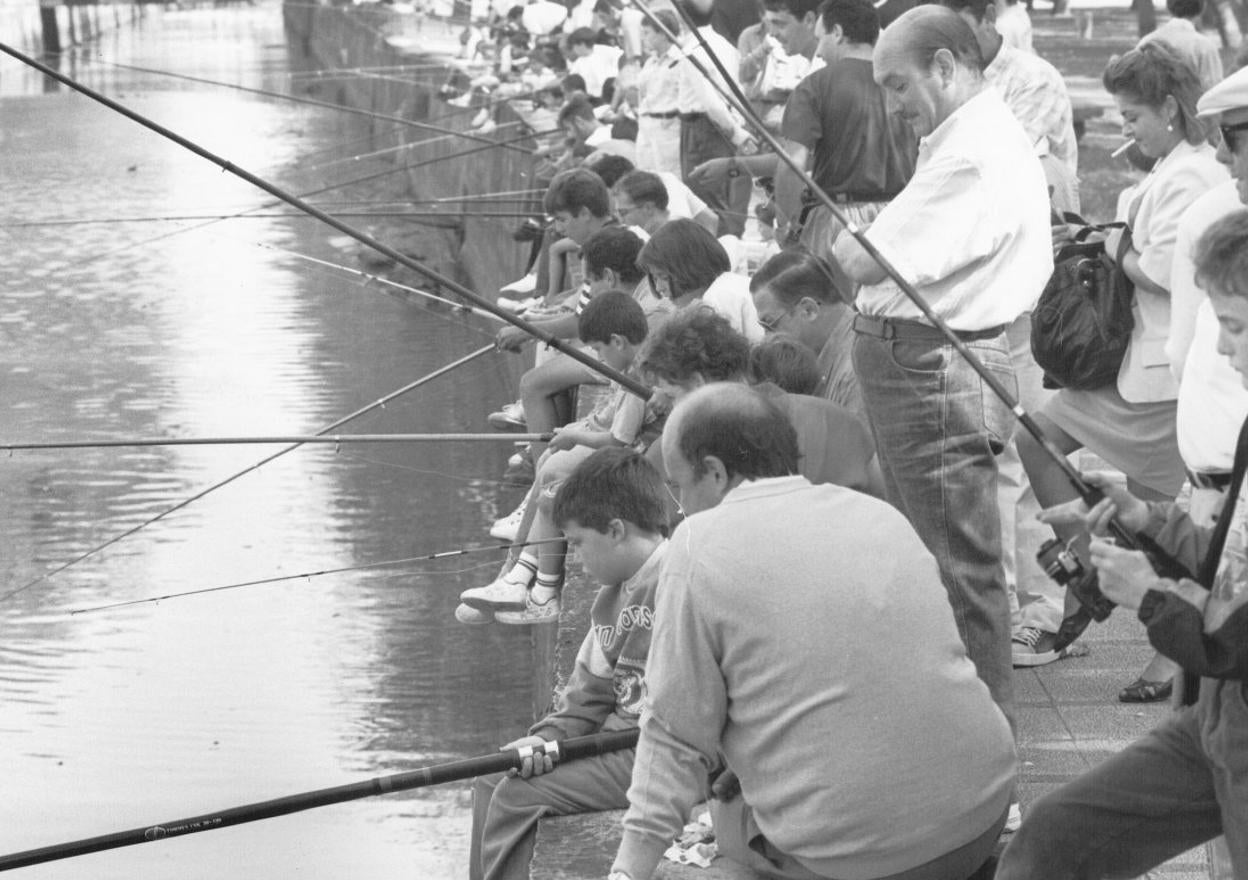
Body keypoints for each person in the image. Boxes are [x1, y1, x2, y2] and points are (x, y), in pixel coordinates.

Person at [607, 383, 1016, 880]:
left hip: (864, 858)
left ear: (714, 472)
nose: (678, 507)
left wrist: (627, 870)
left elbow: (674, 735)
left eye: (679, 486)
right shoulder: (877, 514)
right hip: (985, 808)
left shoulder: (696, 546)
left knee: (728, 822)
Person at [995, 208, 1248, 880]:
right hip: (1221, 719)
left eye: (1237, 328)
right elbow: (1231, 559)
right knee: (1053, 840)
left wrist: (1152, 594)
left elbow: (1236, 629)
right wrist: (1144, 516)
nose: (1223, 351)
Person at [832, 4, 1053, 726]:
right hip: (926, 369)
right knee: (938, 567)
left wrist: (859, 239)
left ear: (945, 67)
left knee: (957, 572)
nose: (892, 107)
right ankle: (951, 745)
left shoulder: (969, 152)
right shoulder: (959, 137)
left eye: (897, 87)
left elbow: (861, 259)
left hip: (934, 374)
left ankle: (985, 768)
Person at [1016, 43, 1228, 701]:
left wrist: (1115, 245)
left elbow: (1166, 270)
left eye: (1132, 113)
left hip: (1156, 377)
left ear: (1170, 107)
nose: (1125, 126)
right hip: (1138, 370)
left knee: (1173, 524)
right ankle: (1087, 564)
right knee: (1040, 436)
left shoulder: (1194, 174)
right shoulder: (1175, 162)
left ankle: (1150, 633)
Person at [468, 447, 668, 880]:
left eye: (577, 543)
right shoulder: (609, 601)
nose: (575, 559)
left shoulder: (679, 581)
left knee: (516, 795)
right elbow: (585, 700)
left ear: (615, 530)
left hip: (660, 758)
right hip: (612, 748)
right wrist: (544, 741)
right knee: (491, 776)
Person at [462, 292, 651, 624]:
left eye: (598, 349)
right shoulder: (630, 369)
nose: (597, 357)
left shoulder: (632, 379)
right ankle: (516, 574)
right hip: (607, 443)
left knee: (551, 479)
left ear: (618, 341)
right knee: (548, 463)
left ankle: (538, 588)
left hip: (618, 456)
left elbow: (618, 441)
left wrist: (574, 435)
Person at [639, 307, 883, 495]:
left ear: (697, 382)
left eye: (672, 397)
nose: (671, 410)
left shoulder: (693, 448)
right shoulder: (830, 417)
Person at [775, 0, 918, 261]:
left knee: (833, 302)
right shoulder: (906, 84)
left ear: (838, 33)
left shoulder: (815, 86)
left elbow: (791, 165)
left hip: (838, 222)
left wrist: (787, 223)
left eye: (821, 39)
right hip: (903, 220)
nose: (818, 51)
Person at [940, 0, 1080, 213]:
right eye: (943, 36)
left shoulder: (1034, 79)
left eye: (962, 31)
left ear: (989, 17)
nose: (954, 46)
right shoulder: (950, 81)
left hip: (1039, 224)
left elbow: (998, 163)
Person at [749, 249, 863, 416]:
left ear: (809, 310)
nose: (768, 337)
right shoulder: (830, 353)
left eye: (770, 325)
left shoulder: (855, 370)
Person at [634, 219, 764, 342]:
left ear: (690, 266)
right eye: (655, 279)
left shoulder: (717, 298)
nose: (658, 288)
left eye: (663, 277)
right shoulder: (727, 285)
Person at [634, 9, 685, 175]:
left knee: (671, 178)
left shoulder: (681, 59)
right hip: (646, 127)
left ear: (662, 33)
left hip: (668, 127)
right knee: (647, 177)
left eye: (647, 33)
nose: (643, 37)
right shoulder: (650, 62)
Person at [1139, 0, 1225, 91]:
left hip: (1152, 103)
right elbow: (1213, 90)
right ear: (1201, 8)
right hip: (1192, 104)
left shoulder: (1146, 41)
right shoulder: (1203, 46)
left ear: (1169, 6)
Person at [566, 26, 624, 101]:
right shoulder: (578, 63)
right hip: (592, 99)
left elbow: (622, 60)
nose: (574, 50)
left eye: (574, 46)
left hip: (612, 92)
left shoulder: (607, 51)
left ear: (581, 44)